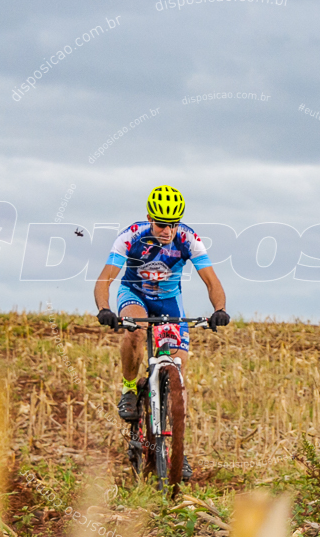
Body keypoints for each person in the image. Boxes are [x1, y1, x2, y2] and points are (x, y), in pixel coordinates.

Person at [93, 185, 229, 479]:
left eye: (173, 224)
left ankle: (176, 450)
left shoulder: (188, 239)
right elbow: (105, 280)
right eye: (161, 224)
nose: (167, 230)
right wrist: (105, 309)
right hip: (135, 295)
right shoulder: (131, 237)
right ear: (149, 218)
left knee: (179, 369)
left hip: (169, 302)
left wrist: (219, 309)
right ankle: (129, 389)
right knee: (135, 330)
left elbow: (211, 281)